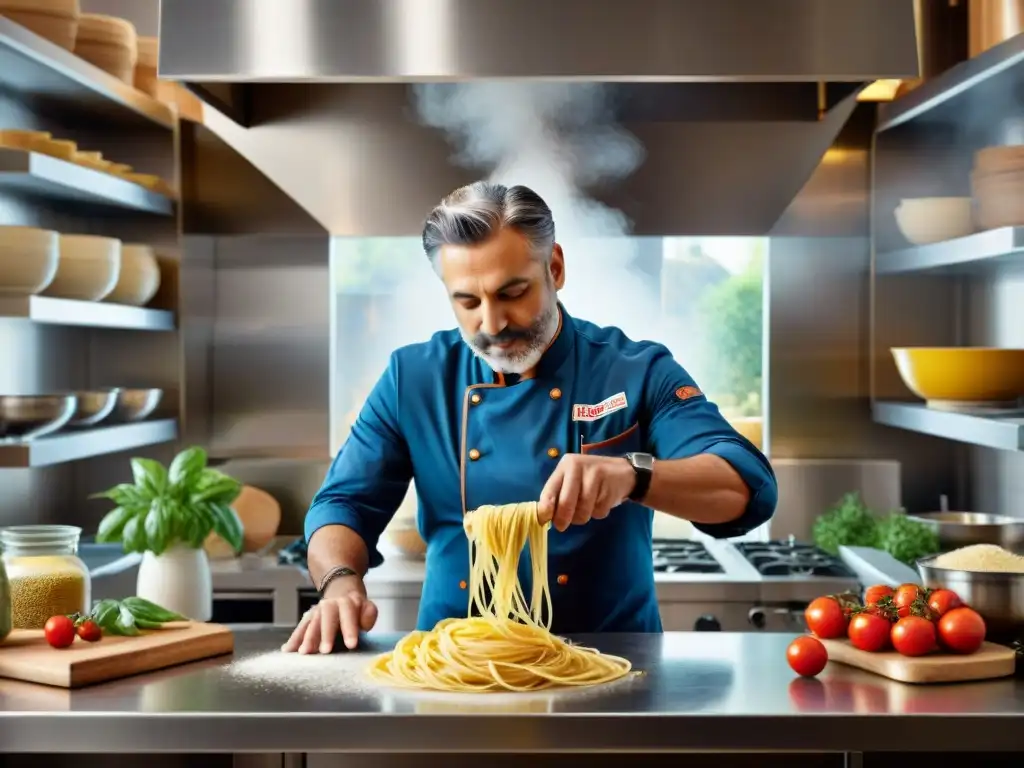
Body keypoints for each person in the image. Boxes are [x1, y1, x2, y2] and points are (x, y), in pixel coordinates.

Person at [284, 181, 777, 654]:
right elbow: (341, 504)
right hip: (454, 670)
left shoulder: (636, 369)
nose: (492, 325)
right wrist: (339, 585)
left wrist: (634, 475)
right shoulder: (412, 378)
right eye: (468, 302)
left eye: (512, 293)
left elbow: (746, 486)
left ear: (555, 268)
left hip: (612, 668)